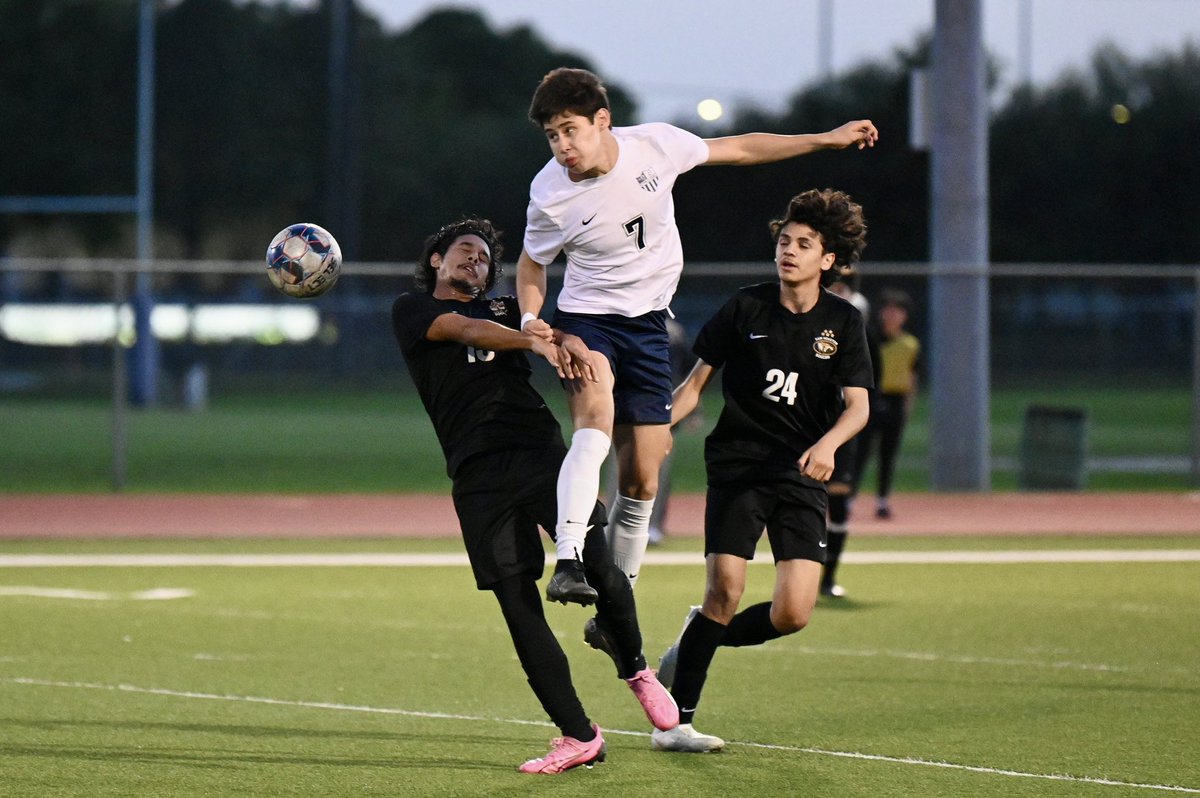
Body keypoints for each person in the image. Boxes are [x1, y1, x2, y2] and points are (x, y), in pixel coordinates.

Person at [515, 66, 879, 604]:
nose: (562, 145)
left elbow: (742, 148)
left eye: (570, 129)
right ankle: (568, 558)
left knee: (641, 476)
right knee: (594, 420)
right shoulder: (548, 192)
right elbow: (531, 263)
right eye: (552, 135)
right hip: (587, 318)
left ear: (603, 121)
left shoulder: (655, 147)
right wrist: (531, 320)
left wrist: (824, 138)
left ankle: (618, 600)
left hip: (648, 325)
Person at [390, 217, 678, 774]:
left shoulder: (504, 308)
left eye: (483, 257)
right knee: (517, 605)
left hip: (539, 454)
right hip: (476, 474)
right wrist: (533, 339)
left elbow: (551, 334)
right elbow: (466, 332)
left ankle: (636, 667)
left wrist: (565, 341)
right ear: (436, 260)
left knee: (598, 563)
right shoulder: (412, 309)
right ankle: (578, 734)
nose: (475, 261)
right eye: (464, 252)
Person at [652, 188, 873, 752]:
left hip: (802, 474)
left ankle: (697, 639)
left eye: (804, 244)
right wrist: (657, 432)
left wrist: (827, 445)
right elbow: (694, 386)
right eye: (784, 241)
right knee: (724, 590)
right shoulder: (745, 307)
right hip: (739, 467)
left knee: (794, 613)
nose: (789, 251)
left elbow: (859, 407)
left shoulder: (843, 322)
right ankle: (676, 724)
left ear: (828, 260)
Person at [821, 268, 875, 597]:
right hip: (810, 418)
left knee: (839, 497)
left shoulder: (855, 320)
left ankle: (828, 577)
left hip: (844, 421)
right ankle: (800, 573)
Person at [852, 287, 921, 520]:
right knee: (861, 452)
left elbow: (913, 377)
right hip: (872, 399)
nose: (892, 316)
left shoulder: (910, 344)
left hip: (895, 401)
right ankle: (849, 500)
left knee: (888, 454)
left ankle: (882, 501)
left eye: (898, 311)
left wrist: (908, 406)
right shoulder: (870, 340)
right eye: (889, 310)